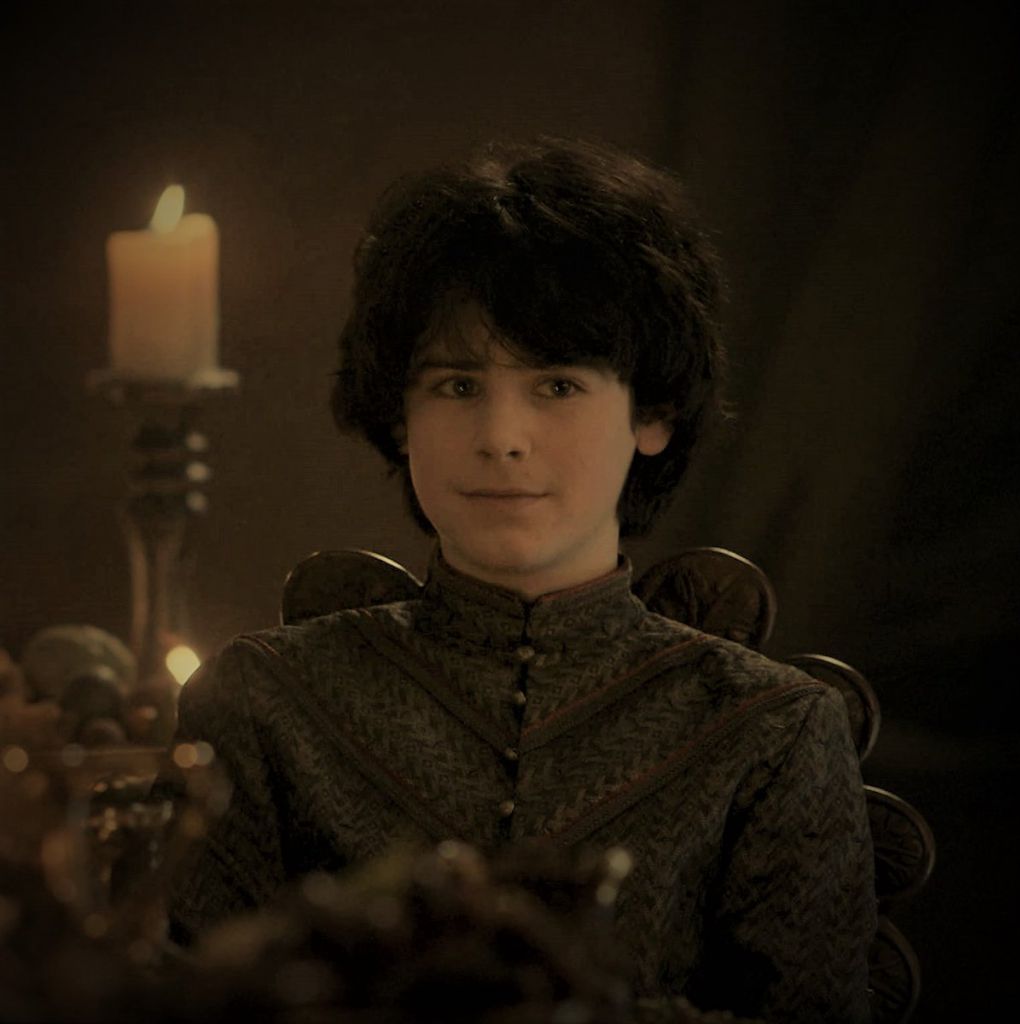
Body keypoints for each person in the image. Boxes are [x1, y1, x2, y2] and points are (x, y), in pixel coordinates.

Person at [160, 137, 876, 1022]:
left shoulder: (771, 730)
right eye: (457, 386)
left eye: (557, 386)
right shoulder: (262, 701)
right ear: (400, 416)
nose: (501, 438)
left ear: (652, 414)